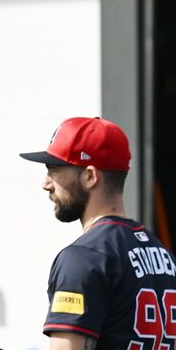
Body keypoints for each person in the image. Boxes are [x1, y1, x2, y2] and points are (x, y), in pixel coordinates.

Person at [18, 117, 176, 349]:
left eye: (55, 170)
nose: (46, 183)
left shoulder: (83, 257)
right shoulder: (163, 255)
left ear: (90, 176)